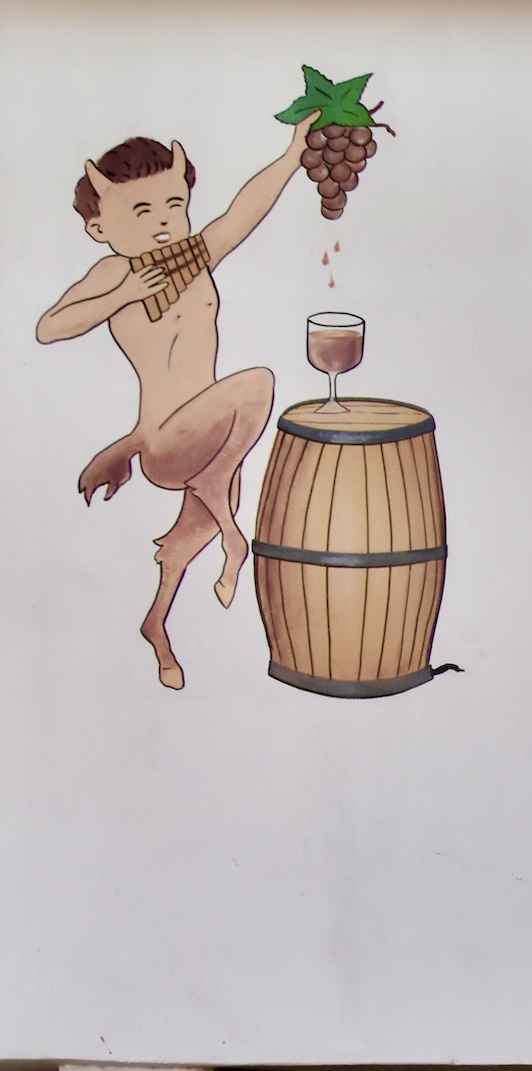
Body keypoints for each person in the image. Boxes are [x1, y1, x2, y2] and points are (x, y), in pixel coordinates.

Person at [36, 115, 322, 688]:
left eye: (173, 206)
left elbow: (244, 211)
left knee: (184, 547)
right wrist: (121, 293)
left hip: (213, 436)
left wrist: (294, 153)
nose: (164, 224)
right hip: (166, 441)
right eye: (142, 213)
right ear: (100, 228)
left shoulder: (193, 258)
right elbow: (48, 327)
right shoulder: (115, 271)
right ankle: (230, 525)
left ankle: (158, 628)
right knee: (258, 382)